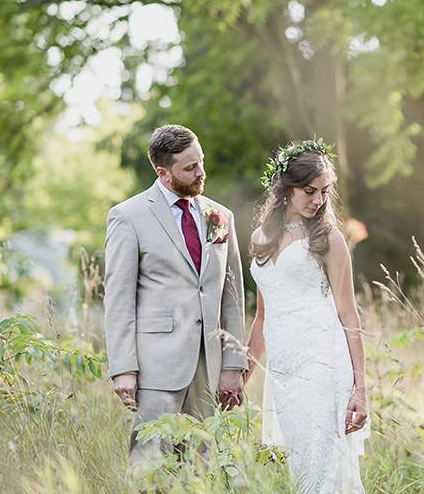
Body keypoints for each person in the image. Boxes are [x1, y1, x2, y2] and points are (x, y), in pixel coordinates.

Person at [103, 124, 246, 464]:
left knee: (201, 469)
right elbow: (118, 298)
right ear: (163, 173)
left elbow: (232, 295)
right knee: (149, 468)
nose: (201, 173)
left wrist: (233, 364)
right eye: (190, 168)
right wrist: (123, 367)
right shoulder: (128, 216)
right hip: (156, 368)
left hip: (208, 367)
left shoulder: (219, 216)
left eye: (202, 162)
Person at [244, 139, 369, 494]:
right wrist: (244, 373)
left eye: (324, 192)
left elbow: (349, 314)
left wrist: (361, 389)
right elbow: (262, 318)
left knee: (321, 467)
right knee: (301, 466)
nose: (318, 200)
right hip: (284, 369)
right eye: (309, 191)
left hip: (323, 362)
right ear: (286, 189)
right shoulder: (261, 237)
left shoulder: (329, 238)